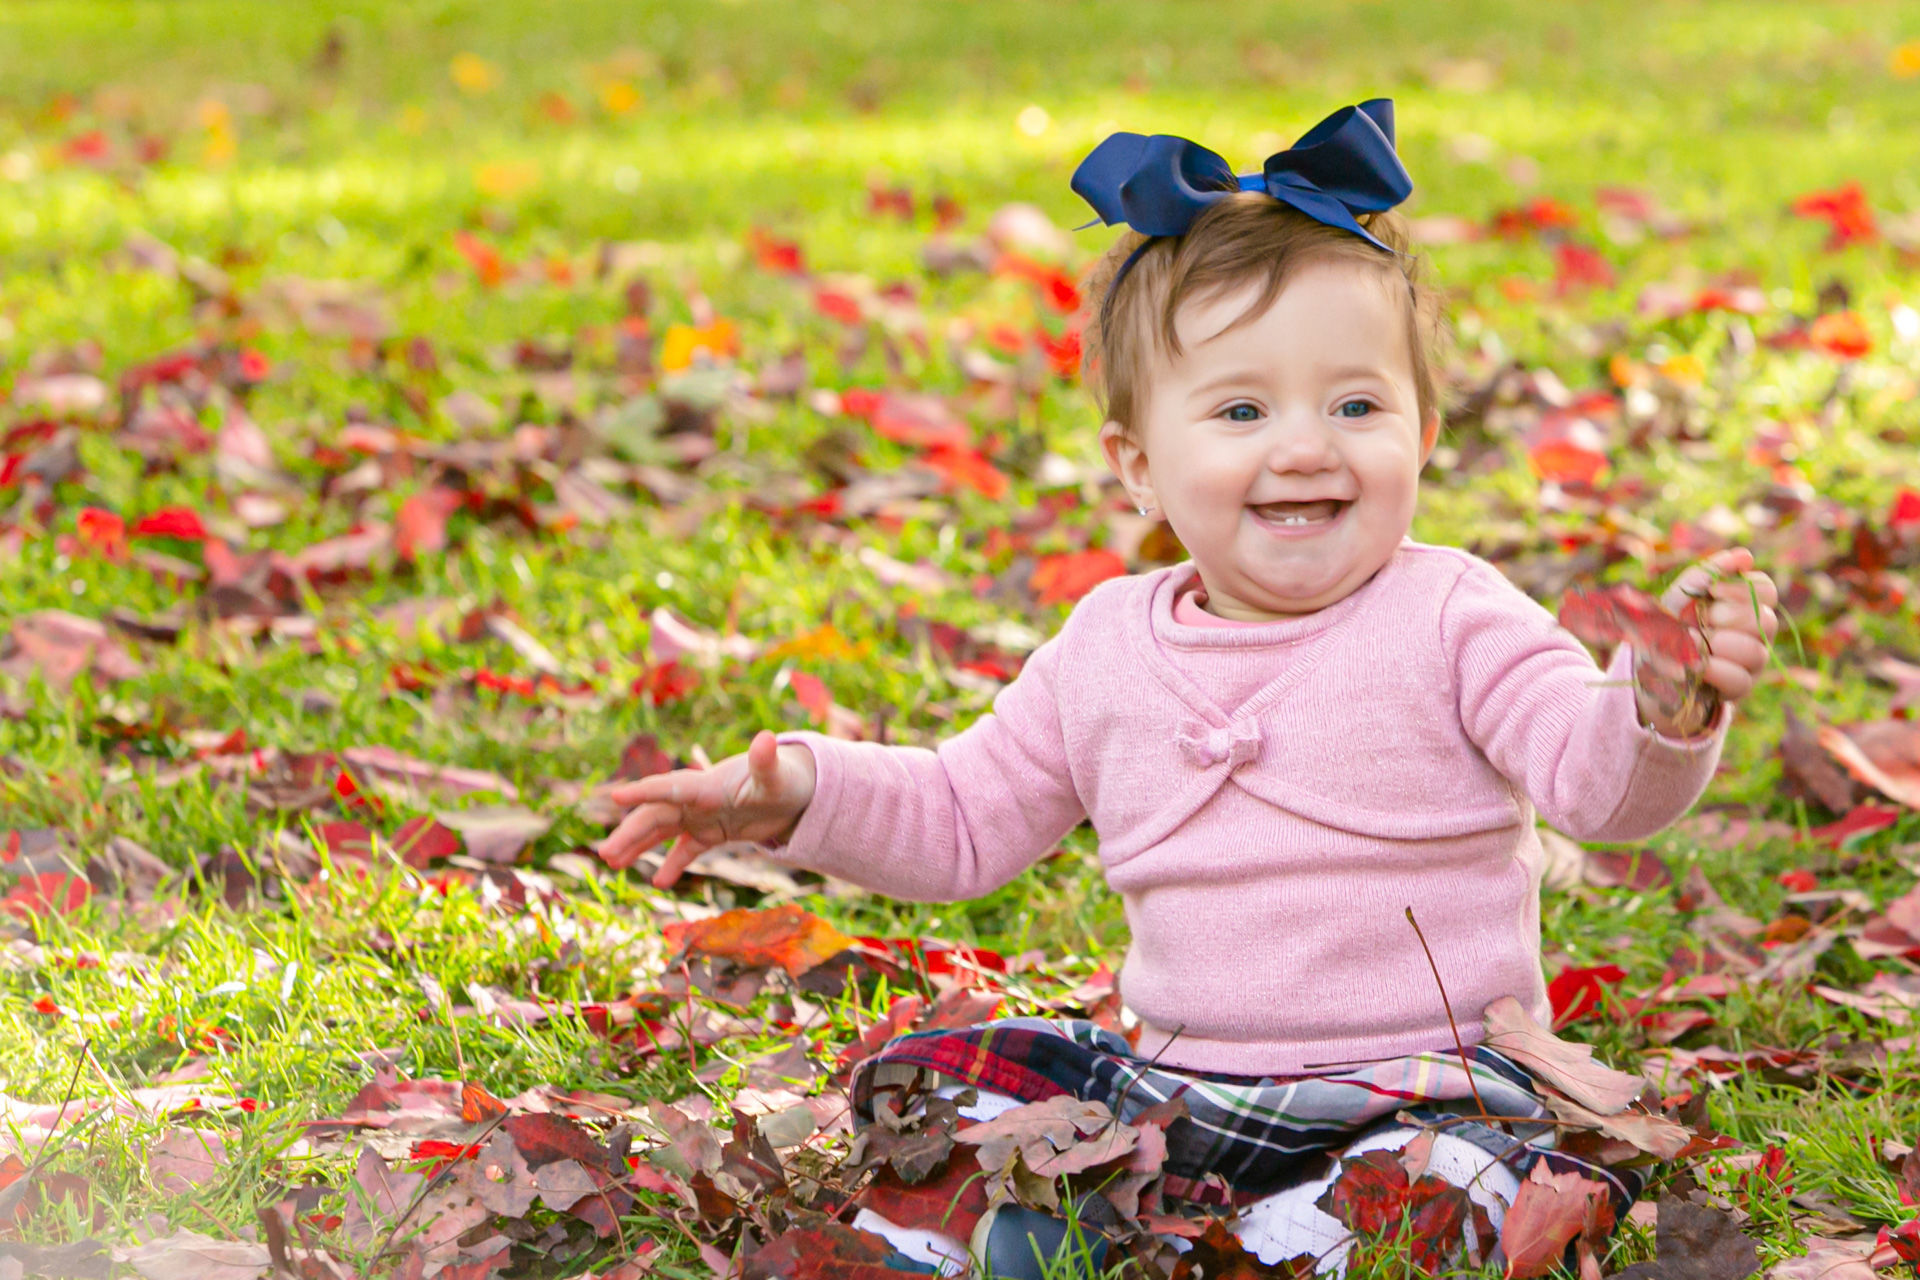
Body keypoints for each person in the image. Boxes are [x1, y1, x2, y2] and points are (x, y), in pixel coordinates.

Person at [598, 100, 1780, 1277]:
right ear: (1140, 466)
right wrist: (801, 792)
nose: (1308, 445)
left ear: (1422, 433)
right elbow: (962, 817)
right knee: (966, 1082)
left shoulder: (1454, 614)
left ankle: (1264, 1250)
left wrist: (1658, 703)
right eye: (1242, 410)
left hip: (1424, 1083)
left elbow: (1593, 781)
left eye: (1357, 404)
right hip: (1177, 1088)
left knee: (1460, 1176)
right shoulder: (1108, 643)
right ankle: (987, 1233)